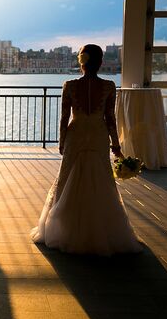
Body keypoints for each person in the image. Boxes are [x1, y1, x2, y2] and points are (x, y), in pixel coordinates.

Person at [30, 44, 142, 255]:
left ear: (81, 62)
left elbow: (64, 117)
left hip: (77, 133)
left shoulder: (69, 85)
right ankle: (101, 228)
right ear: (100, 62)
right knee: (101, 177)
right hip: (98, 133)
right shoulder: (109, 86)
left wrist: (62, 141)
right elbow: (110, 118)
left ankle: (64, 228)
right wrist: (116, 146)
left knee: (68, 176)